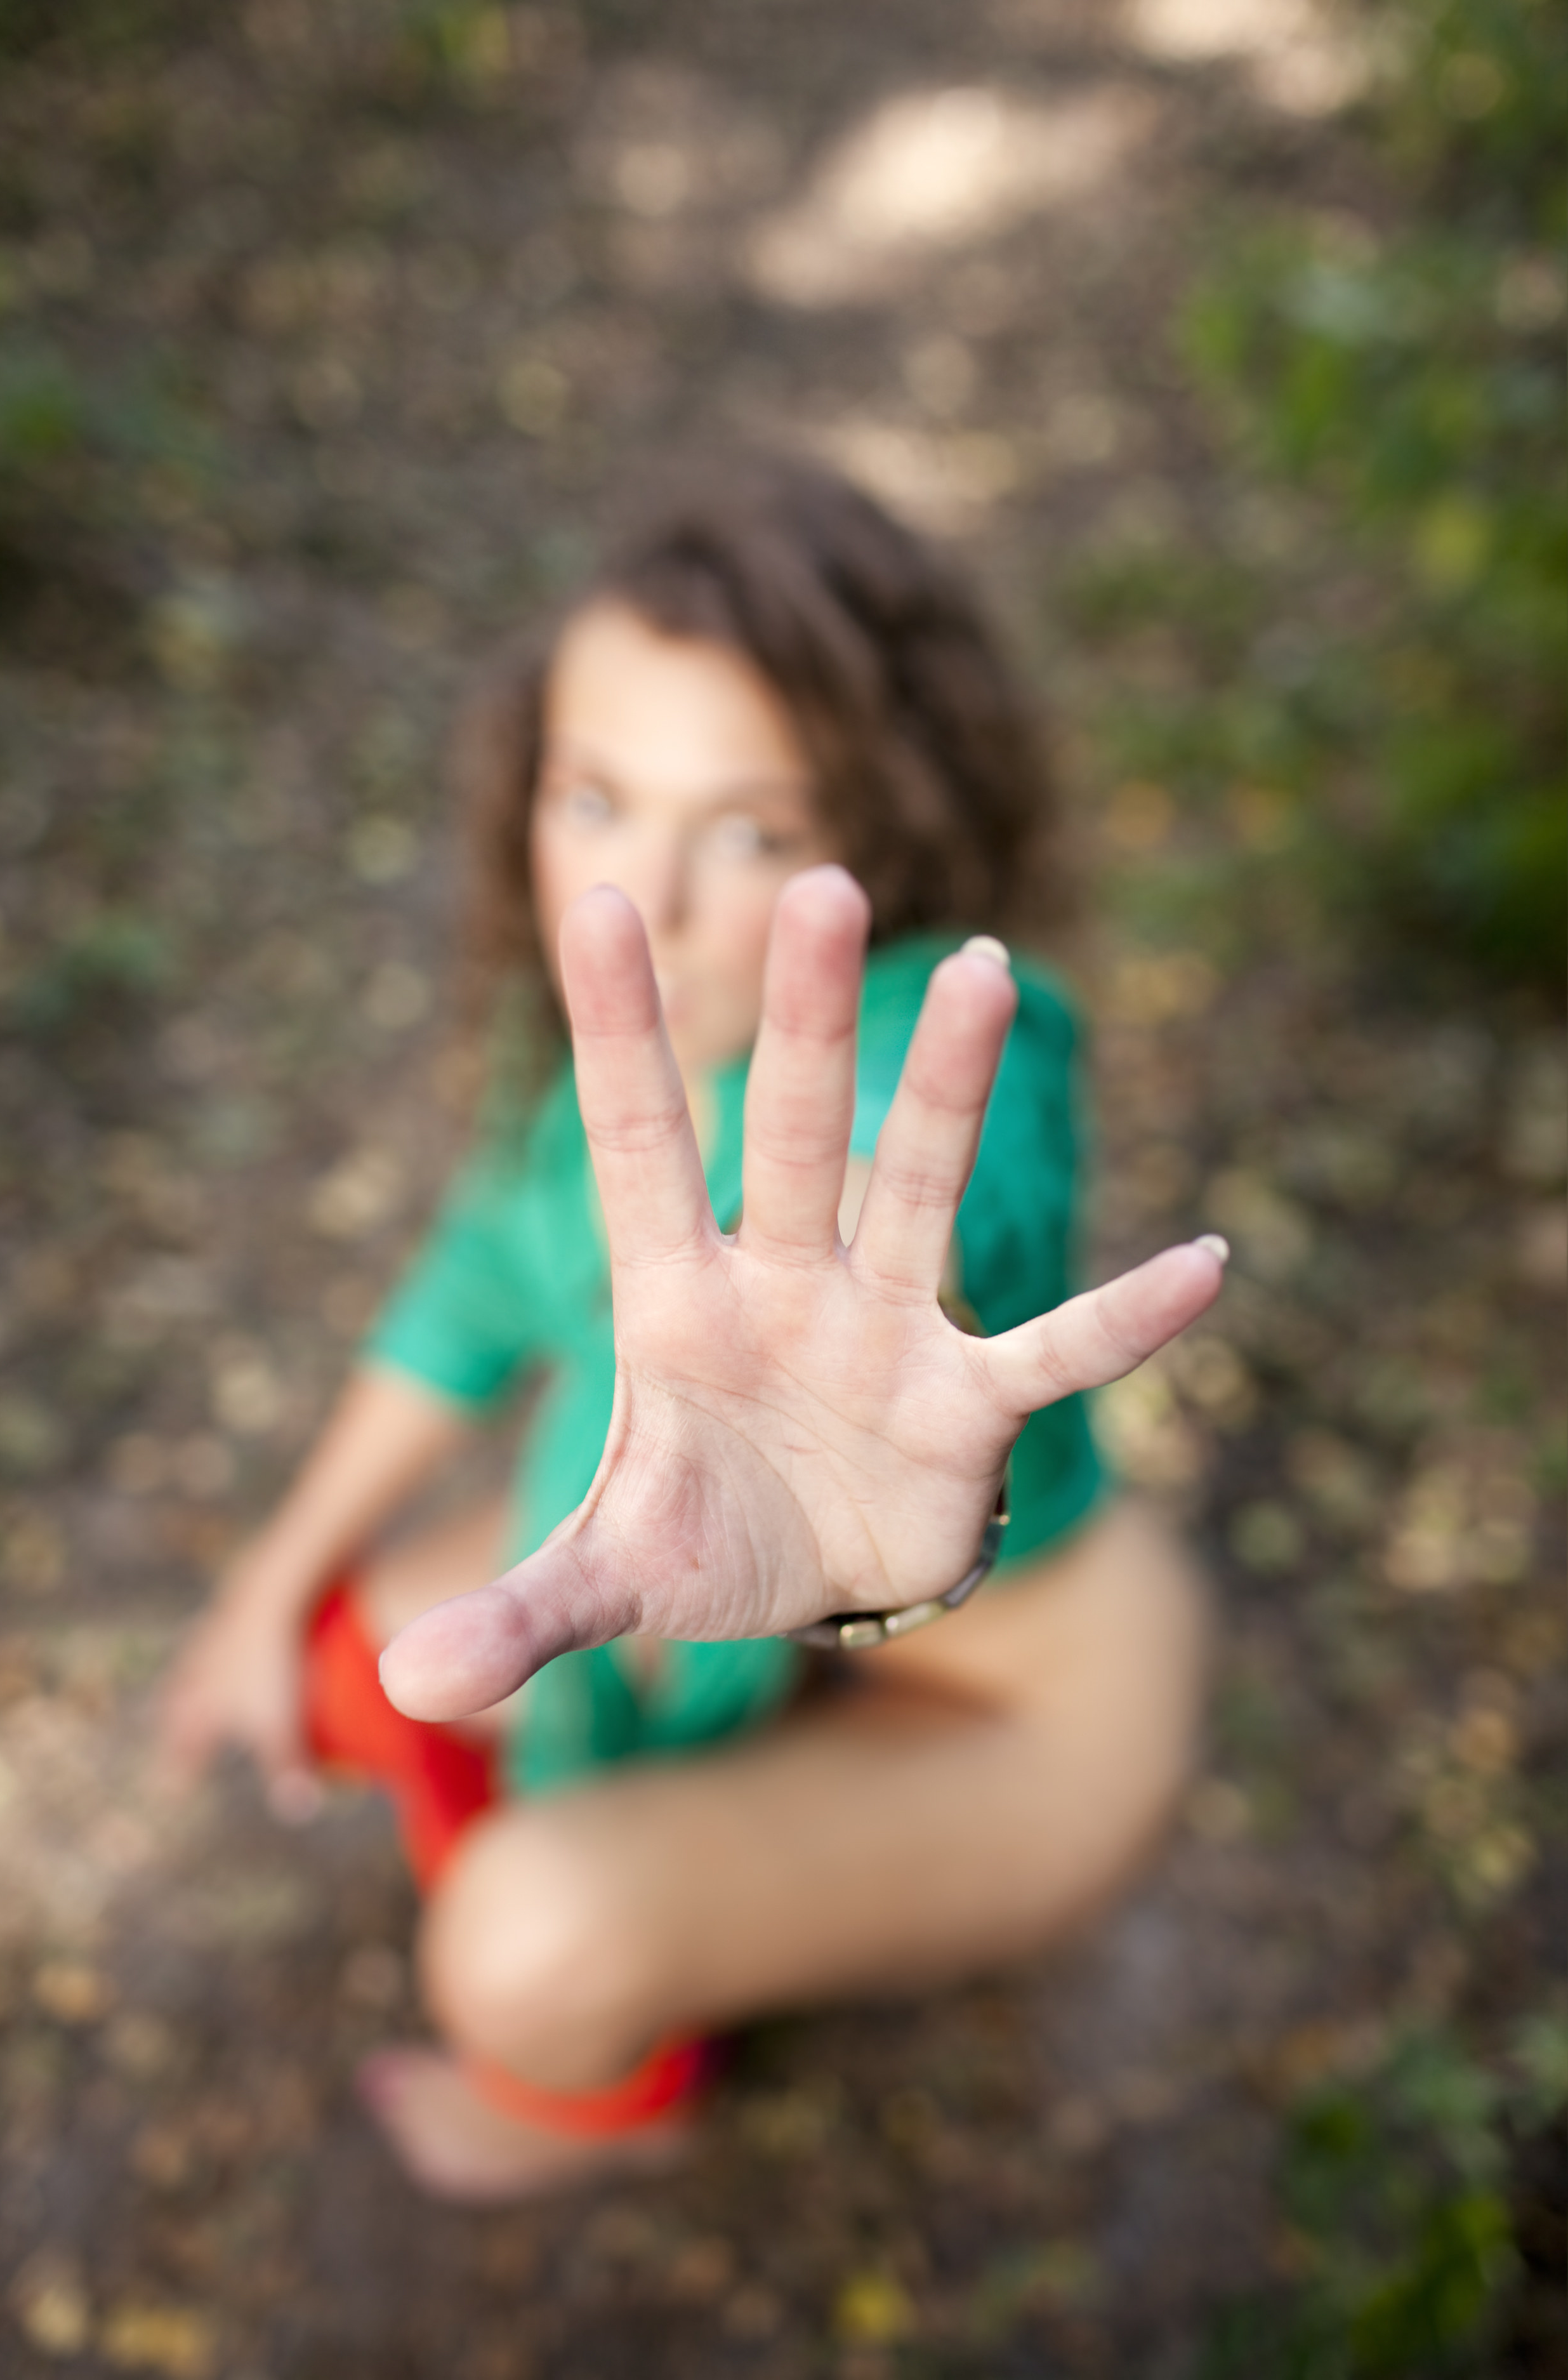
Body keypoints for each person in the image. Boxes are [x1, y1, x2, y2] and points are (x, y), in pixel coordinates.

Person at [160, 458, 1225, 2201]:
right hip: (759, 1626)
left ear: (880, 833)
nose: (640, 894)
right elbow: (475, 1290)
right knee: (362, 1652)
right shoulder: (605, 1032)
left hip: (1016, 1702)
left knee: (519, 1947)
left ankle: (591, 2105)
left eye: (750, 830)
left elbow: (945, 1190)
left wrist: (886, 1335)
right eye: (594, 798)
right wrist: (267, 1581)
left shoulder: (950, 1034)